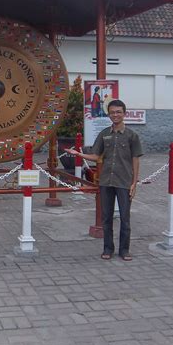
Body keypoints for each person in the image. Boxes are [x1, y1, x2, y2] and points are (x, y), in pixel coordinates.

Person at [67, 99, 143, 261]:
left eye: (118, 112)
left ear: (124, 113)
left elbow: (136, 160)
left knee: (125, 218)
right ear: (108, 114)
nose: (115, 115)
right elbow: (96, 156)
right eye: (112, 112)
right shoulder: (104, 134)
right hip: (106, 181)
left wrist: (134, 183)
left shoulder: (132, 136)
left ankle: (124, 250)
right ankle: (108, 248)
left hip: (124, 182)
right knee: (106, 217)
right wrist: (79, 154)